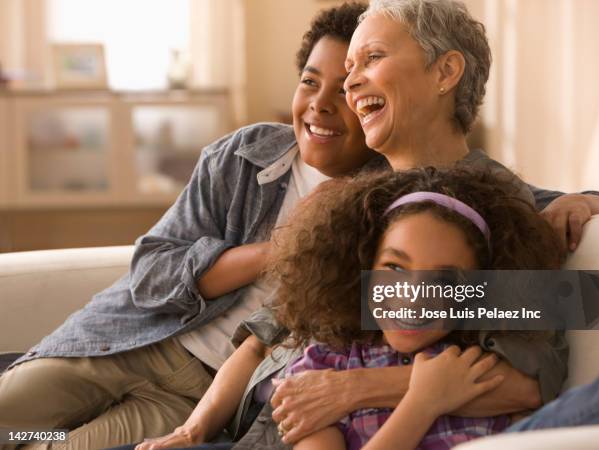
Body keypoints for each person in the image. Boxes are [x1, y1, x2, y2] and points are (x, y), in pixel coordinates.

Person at [0, 4, 377, 449]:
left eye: (345, 91)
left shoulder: (382, 205)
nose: (319, 104)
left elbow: (408, 318)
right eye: (310, 82)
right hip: (136, 341)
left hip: (204, 397)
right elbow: (151, 271)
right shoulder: (243, 154)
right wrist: (281, 248)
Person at [267, 166, 565, 449]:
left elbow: (533, 391)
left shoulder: (488, 352)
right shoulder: (322, 369)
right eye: (395, 268)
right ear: (363, 267)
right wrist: (422, 403)